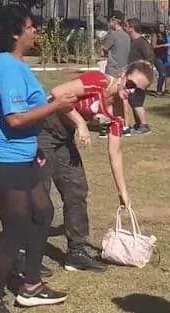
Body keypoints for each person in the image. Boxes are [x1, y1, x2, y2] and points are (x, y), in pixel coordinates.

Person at [0, 6, 78, 313]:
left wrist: (32, 149)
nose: (36, 33)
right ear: (15, 32)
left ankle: (31, 285)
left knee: (43, 212)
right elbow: (14, 119)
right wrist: (57, 106)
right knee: (16, 226)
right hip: (1, 157)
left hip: (21, 154)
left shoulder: (15, 64)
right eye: (31, 27)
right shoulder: (6, 66)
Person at [39, 60, 155, 271]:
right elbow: (57, 93)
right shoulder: (98, 81)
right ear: (122, 75)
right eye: (130, 85)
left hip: (63, 138)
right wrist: (80, 123)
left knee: (77, 189)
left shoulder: (118, 115)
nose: (131, 92)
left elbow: (115, 152)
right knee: (39, 194)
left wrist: (123, 193)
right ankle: (26, 254)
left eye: (139, 91)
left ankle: (76, 252)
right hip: (41, 129)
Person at [125, 19, 155, 133]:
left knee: (137, 101)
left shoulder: (141, 42)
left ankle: (144, 125)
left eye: (126, 26)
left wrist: (141, 70)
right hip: (131, 76)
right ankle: (138, 124)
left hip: (139, 78)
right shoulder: (133, 41)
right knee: (133, 100)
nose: (125, 28)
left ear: (132, 28)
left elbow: (150, 58)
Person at [101, 11, 130, 78]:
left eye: (110, 20)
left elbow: (103, 51)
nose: (109, 22)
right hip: (123, 71)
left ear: (114, 20)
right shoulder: (127, 36)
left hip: (112, 71)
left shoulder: (112, 34)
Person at [152, 25, 169, 95]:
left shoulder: (164, 35)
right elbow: (153, 46)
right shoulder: (155, 35)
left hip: (164, 56)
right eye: (160, 27)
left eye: (163, 27)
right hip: (157, 56)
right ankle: (158, 90)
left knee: (164, 74)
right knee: (162, 73)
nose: (162, 28)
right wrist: (163, 45)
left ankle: (160, 90)